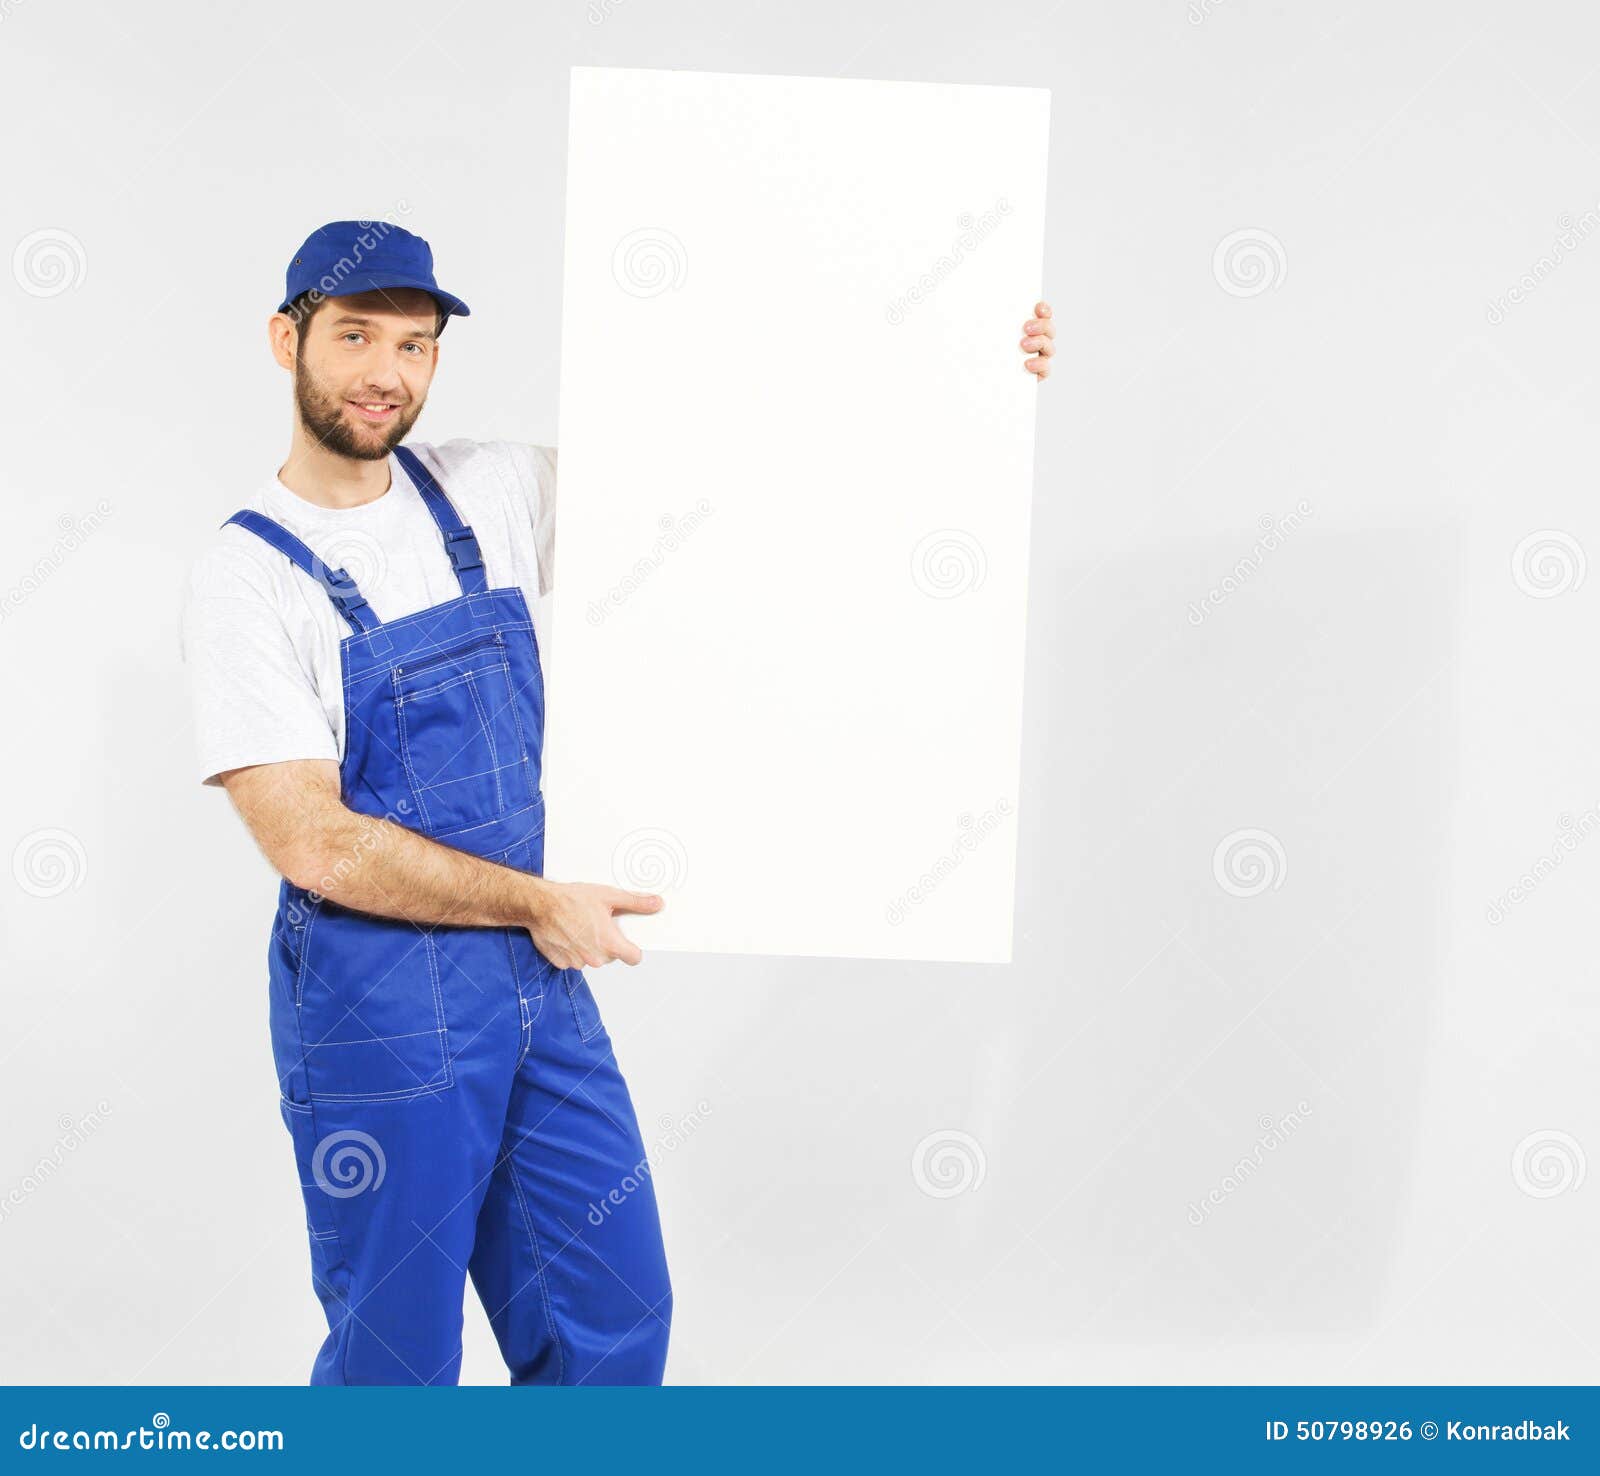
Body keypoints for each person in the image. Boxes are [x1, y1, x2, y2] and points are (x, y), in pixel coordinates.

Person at [181, 219, 1056, 1387]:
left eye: (416, 344)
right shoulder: (246, 572)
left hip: (537, 976)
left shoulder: (485, 489)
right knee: (397, 1358)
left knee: (614, 1317)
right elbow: (315, 844)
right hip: (377, 1000)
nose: (388, 373)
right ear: (285, 339)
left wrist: (959, 363)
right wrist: (534, 902)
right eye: (354, 337)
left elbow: (735, 463)